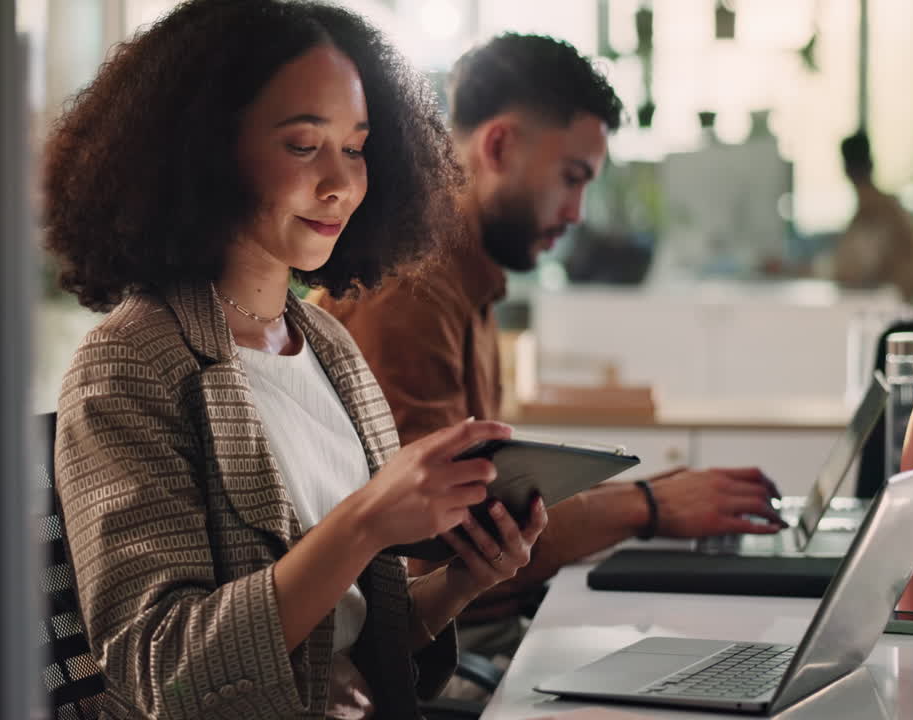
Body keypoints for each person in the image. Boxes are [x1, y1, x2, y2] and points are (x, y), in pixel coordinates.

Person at [43, 3, 548, 718]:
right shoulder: (128, 365)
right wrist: (366, 522)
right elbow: (165, 675)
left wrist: (460, 583)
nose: (341, 182)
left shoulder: (326, 344)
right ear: (206, 151)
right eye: (305, 145)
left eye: (357, 148)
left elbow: (344, 638)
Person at [318, 33, 786, 663]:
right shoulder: (409, 291)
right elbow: (442, 532)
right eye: (571, 178)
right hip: (440, 648)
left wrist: (653, 499)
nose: (576, 213)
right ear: (500, 146)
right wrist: (647, 506)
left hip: (478, 627)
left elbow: (482, 496)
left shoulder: (465, 282)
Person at [830, 131, 913, 300]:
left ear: (845, 170)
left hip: (894, 303)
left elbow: (850, 271)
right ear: (872, 164)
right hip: (895, 300)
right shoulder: (889, 207)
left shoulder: (875, 212)